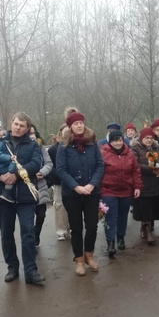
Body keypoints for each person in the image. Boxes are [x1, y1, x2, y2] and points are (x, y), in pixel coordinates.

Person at [0, 112, 46, 285]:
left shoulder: (33, 145)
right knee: (6, 233)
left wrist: (16, 175)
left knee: (28, 232)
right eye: (16, 124)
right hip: (2, 195)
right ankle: (12, 268)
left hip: (25, 196)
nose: (18, 127)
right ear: (11, 123)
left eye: (22, 125)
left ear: (27, 128)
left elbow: (36, 163)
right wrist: (0, 177)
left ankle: (30, 271)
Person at [56, 110, 105, 276]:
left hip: (92, 192)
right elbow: (61, 170)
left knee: (92, 225)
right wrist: (76, 187)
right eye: (75, 123)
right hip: (72, 194)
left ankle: (89, 254)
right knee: (76, 228)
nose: (79, 125)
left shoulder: (92, 144)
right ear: (70, 127)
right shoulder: (64, 147)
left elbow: (100, 166)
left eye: (81, 122)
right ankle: (78, 259)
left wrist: (92, 185)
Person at [100, 130, 142, 258]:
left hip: (126, 191)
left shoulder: (129, 153)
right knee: (111, 217)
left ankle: (120, 238)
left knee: (123, 216)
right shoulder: (103, 153)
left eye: (120, 140)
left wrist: (137, 186)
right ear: (110, 142)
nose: (118, 143)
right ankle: (110, 243)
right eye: (115, 140)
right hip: (108, 190)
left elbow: (135, 170)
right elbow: (98, 171)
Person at [130, 127, 159, 245]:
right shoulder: (135, 148)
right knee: (144, 206)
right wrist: (150, 168)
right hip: (142, 181)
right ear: (141, 138)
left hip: (154, 182)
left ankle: (146, 227)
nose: (149, 140)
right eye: (146, 138)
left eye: (150, 138)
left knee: (151, 206)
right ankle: (147, 229)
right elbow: (135, 164)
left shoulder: (156, 147)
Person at [47, 124, 69, 241]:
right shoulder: (53, 149)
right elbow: (50, 166)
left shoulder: (75, 146)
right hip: (59, 181)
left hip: (74, 181)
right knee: (59, 205)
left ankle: (73, 226)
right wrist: (61, 175)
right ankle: (61, 230)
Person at [33, 132, 54, 247]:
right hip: (26, 186)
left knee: (41, 215)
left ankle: (36, 235)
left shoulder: (41, 148)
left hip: (40, 185)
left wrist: (42, 172)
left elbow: (49, 163)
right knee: (28, 217)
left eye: (33, 133)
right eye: (29, 133)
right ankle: (31, 239)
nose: (31, 135)